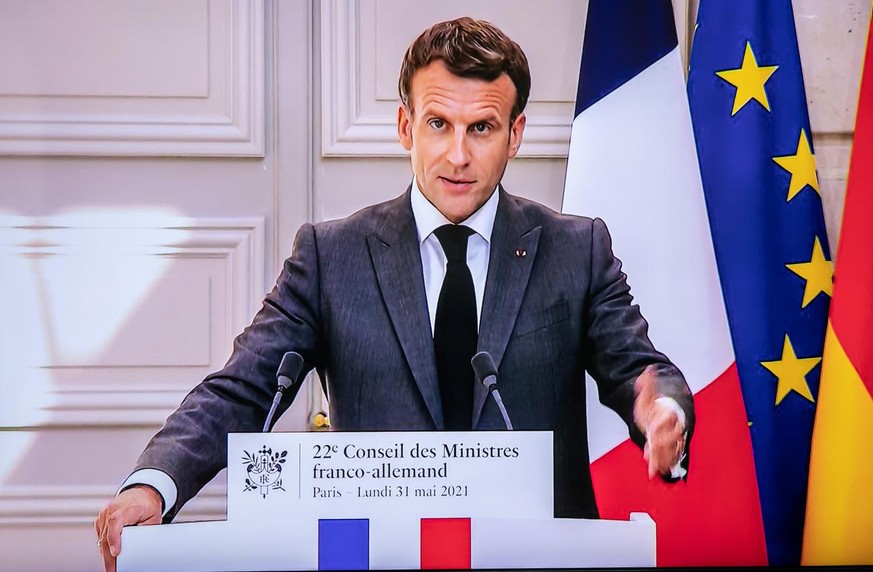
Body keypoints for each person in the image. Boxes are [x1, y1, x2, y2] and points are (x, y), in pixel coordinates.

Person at [95, 16, 694, 570]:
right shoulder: (333, 255)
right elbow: (243, 387)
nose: (458, 155)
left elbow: (637, 368)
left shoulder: (575, 248)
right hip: (379, 553)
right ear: (406, 125)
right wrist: (155, 482)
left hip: (534, 551)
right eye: (439, 124)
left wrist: (659, 409)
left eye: (481, 128)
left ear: (515, 135)